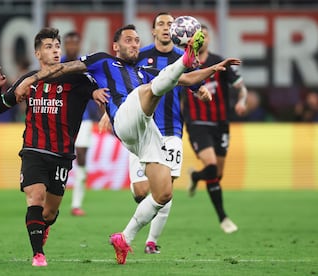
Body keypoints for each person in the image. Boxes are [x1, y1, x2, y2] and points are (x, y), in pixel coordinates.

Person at [14, 24, 241, 265]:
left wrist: (213, 69)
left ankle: (124, 237)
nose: (134, 44)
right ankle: (186, 57)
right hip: (124, 118)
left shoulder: (145, 70)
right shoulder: (103, 61)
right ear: (116, 46)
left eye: (136, 41)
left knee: (163, 194)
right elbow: (61, 68)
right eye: (129, 40)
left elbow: (185, 79)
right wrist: (30, 80)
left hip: (146, 129)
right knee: (147, 92)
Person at [0, 27, 108, 267]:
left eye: (57, 47)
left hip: (62, 155)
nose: (55, 51)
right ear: (37, 53)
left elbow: (98, 91)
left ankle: (44, 228)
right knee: (35, 196)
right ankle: (38, 255)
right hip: (33, 149)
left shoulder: (77, 79)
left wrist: (97, 96)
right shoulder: (28, 81)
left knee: (49, 213)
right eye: (48, 47)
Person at [129, 12, 210, 254]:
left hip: (172, 130)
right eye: (161, 24)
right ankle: (137, 225)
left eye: (170, 24)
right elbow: (121, 84)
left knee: (165, 191)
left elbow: (196, 82)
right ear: (153, 31)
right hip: (142, 131)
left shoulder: (184, 58)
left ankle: (150, 242)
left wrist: (202, 91)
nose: (166, 28)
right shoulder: (139, 56)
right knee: (142, 192)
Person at [184, 25, 248, 234]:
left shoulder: (220, 62)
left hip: (221, 123)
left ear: (209, 39)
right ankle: (223, 218)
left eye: (204, 36)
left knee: (217, 174)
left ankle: (195, 177)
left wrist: (242, 101)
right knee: (211, 165)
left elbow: (241, 88)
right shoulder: (184, 65)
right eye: (197, 37)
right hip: (196, 122)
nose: (201, 40)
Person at [61, 31, 98, 216]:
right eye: (69, 43)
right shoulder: (57, 65)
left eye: (75, 43)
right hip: (60, 119)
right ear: (65, 45)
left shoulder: (85, 66)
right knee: (58, 158)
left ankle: (76, 204)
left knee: (81, 157)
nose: (72, 46)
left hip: (83, 119)